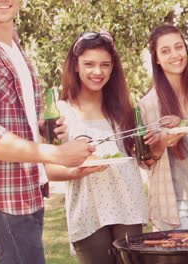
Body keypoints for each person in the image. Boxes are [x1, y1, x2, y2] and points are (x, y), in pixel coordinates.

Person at [0, 1, 94, 263]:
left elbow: (14, 121)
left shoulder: (14, 46)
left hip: (29, 193)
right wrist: (55, 153)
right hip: (3, 201)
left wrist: (42, 130)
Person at [45, 30, 148, 264]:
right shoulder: (60, 111)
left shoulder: (123, 110)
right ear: (76, 66)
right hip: (87, 211)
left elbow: (141, 157)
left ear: (113, 68)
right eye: (89, 64)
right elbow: (48, 169)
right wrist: (77, 171)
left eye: (105, 65)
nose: (98, 72)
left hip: (128, 205)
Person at [139, 25, 188, 231]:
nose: (175, 55)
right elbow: (145, 160)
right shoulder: (150, 104)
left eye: (178, 47)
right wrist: (163, 142)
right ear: (156, 58)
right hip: (175, 203)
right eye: (165, 51)